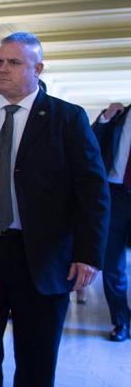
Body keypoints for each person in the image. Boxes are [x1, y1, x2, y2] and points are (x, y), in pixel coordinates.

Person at [0, 32, 110, 387]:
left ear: (37, 69)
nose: (3, 70)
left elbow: (92, 190)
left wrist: (88, 254)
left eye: (14, 63)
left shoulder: (66, 119)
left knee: (37, 360)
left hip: (42, 257)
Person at [92, 101, 131, 341]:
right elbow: (91, 142)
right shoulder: (118, 115)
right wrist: (105, 118)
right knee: (112, 262)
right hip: (115, 195)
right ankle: (121, 321)